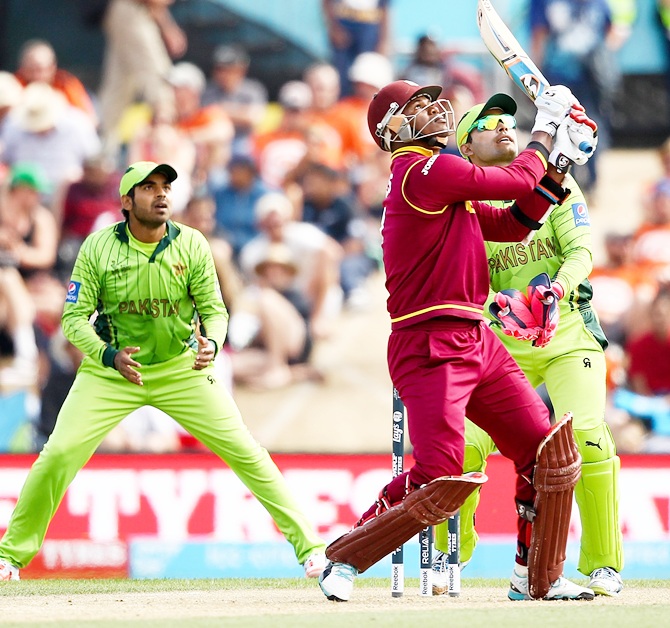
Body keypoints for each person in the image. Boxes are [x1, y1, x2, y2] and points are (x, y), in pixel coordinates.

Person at [318, 79, 598, 602]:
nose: (437, 108)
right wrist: (543, 131)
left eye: (433, 100)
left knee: (548, 454)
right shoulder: (419, 171)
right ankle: (345, 558)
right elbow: (514, 181)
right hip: (428, 343)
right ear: (390, 130)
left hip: (475, 338)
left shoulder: (441, 185)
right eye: (418, 106)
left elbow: (517, 223)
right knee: (441, 475)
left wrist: (559, 166)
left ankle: (536, 576)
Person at [0, 160, 326, 582]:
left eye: (166, 186)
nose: (161, 194)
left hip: (182, 370)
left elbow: (215, 309)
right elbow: (74, 319)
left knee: (248, 453)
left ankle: (313, 550)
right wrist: (107, 355)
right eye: (148, 187)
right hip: (112, 372)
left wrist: (213, 339)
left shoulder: (191, 244)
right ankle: (10, 557)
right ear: (126, 200)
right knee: (58, 454)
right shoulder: (98, 247)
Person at [429, 95, 624, 598]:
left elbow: (582, 251)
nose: (504, 127)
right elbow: (466, 277)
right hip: (499, 342)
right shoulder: (463, 202)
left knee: (585, 435)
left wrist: (554, 291)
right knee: (464, 445)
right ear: (467, 146)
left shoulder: (557, 183)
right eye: (489, 123)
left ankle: (603, 564)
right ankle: (453, 552)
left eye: (508, 121)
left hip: (566, 332)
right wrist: (502, 304)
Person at [98, 0, 187, 157]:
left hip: (128, 11)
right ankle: (164, 132)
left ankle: (103, 150)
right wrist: (168, 27)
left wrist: (167, 26)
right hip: (133, 10)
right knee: (157, 78)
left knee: (121, 84)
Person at [202, 44, 269, 157]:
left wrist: (223, 110)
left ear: (241, 70)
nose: (223, 74)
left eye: (229, 69)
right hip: (214, 144)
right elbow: (204, 117)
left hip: (244, 141)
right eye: (219, 69)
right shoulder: (209, 91)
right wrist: (237, 112)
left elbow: (254, 117)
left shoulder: (253, 90)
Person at [14, 39, 97, 125]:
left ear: (53, 67)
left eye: (41, 69)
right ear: (21, 69)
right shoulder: (14, 86)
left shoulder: (66, 83)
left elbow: (89, 120)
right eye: (31, 70)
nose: (36, 76)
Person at [321, 0, 391, 96]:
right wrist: (334, 27)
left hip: (369, 27)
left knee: (367, 73)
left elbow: (385, 7)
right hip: (343, 23)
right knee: (341, 74)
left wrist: (384, 40)